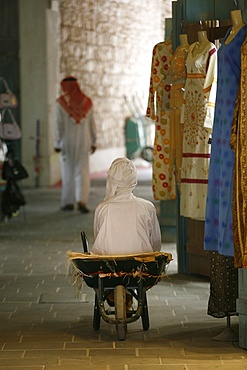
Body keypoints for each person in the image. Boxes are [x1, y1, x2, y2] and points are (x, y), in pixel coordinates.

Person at [91, 157, 161, 255]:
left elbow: (97, 238)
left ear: (111, 180)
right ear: (134, 180)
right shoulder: (147, 207)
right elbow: (156, 243)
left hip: (107, 266)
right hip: (141, 266)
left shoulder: (103, 208)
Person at [54, 76, 97, 213]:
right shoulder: (87, 102)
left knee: (68, 172)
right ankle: (81, 200)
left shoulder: (61, 103)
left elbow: (57, 125)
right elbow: (92, 124)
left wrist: (56, 142)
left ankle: (68, 202)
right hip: (84, 141)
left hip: (66, 142)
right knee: (82, 172)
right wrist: (94, 141)